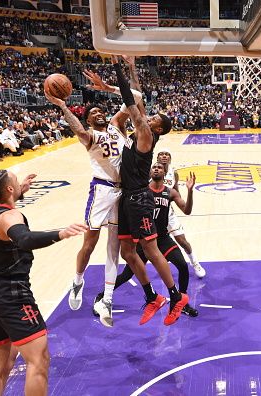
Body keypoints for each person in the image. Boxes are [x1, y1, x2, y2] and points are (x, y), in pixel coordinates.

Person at [44, 66, 143, 327]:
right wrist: (63, 107)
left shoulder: (116, 125)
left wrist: (110, 86)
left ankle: (108, 297)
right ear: (88, 120)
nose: (98, 113)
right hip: (101, 190)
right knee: (89, 243)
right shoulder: (90, 136)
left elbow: (137, 98)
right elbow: (77, 131)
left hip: (123, 193)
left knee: (115, 248)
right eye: (92, 113)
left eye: (100, 111)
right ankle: (78, 280)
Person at [0, 169, 87, 396]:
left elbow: (0, 199)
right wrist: (61, 233)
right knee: (39, 360)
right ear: (8, 189)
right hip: (11, 293)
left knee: (3, 364)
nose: (20, 184)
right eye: (16, 183)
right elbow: (25, 239)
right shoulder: (10, 217)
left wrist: (19, 190)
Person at [112, 56, 188, 326]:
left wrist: (117, 68)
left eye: (155, 117)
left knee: (150, 249)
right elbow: (138, 97)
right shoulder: (144, 128)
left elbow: (131, 101)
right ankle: (152, 297)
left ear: (158, 128)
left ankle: (175, 296)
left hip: (139, 198)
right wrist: (132, 67)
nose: (150, 115)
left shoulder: (145, 133)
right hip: (126, 198)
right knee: (127, 252)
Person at [94, 162, 199, 317]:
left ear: (165, 173)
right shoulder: (141, 191)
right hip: (144, 240)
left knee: (183, 265)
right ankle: (103, 295)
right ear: (149, 172)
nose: (156, 169)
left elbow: (187, 210)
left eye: (160, 168)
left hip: (162, 238)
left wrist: (190, 192)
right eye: (154, 167)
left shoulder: (170, 193)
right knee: (127, 274)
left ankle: (180, 302)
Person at [157, 150, 206, 278]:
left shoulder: (174, 174)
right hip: (154, 215)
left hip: (167, 213)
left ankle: (195, 263)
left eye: (167, 154)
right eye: (161, 154)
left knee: (182, 241)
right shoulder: (151, 172)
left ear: (170, 159)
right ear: (156, 158)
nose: (164, 156)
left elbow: (176, 195)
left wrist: (189, 191)